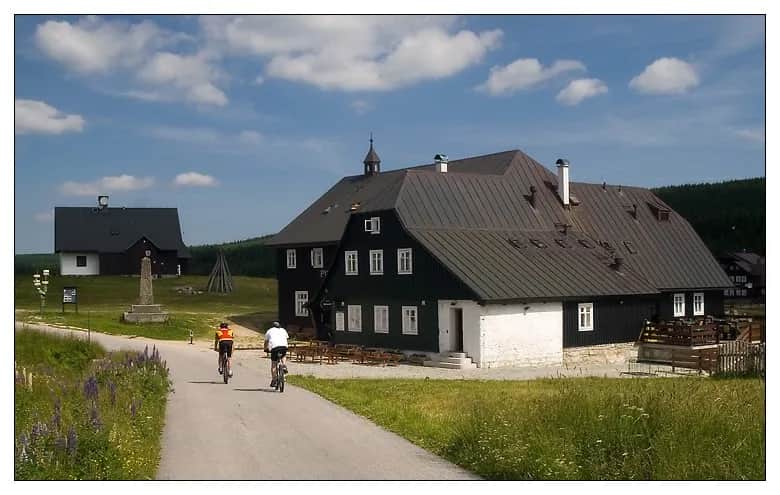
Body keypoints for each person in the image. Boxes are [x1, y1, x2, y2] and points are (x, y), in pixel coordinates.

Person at [264, 321, 289, 388]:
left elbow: (266, 341)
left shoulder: (269, 331)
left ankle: (274, 380)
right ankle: (283, 365)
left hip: (275, 348)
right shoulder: (283, 330)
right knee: (283, 355)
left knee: (274, 364)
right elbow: (286, 338)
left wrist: (265, 349)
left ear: (272, 326)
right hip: (284, 347)